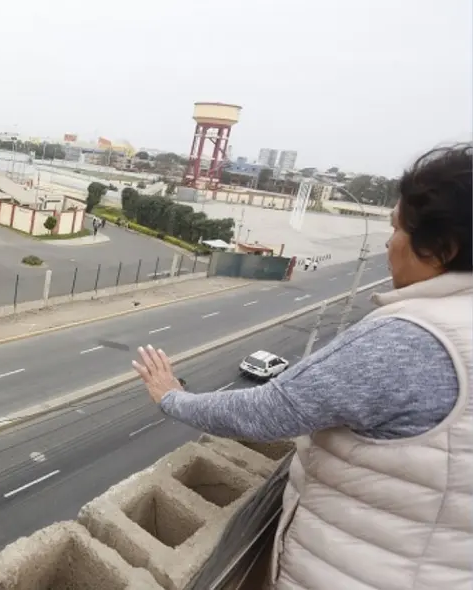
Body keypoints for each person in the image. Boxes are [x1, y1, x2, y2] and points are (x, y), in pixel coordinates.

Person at [132, 144, 472, 590]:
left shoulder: (407, 339)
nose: (389, 243)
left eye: (396, 229)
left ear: (442, 248)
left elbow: (265, 413)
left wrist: (172, 398)